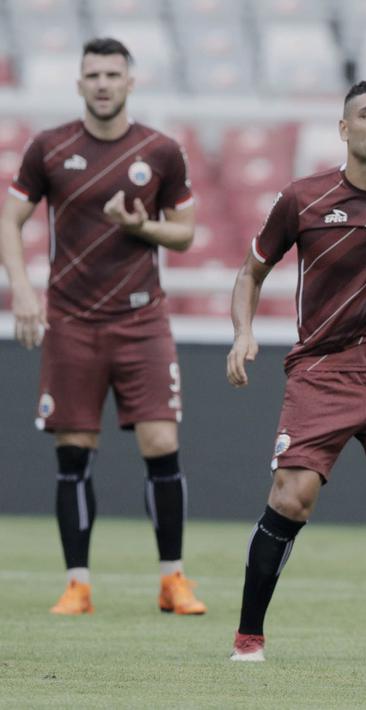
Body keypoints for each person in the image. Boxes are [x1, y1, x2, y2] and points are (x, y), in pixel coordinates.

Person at [225, 80, 366, 664]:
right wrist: (244, 332)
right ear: (344, 128)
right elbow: (251, 273)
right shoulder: (302, 198)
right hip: (321, 371)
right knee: (292, 498)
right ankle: (249, 636)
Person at [0, 37, 204, 616]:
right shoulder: (49, 147)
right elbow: (10, 221)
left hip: (142, 319)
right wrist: (22, 291)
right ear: (79, 83)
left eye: (114, 74)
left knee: (161, 444)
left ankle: (173, 580)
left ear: (130, 82)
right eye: (94, 75)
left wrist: (141, 227)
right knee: (74, 452)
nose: (104, 84)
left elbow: (185, 233)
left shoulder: (160, 151)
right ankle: (78, 585)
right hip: (71, 320)